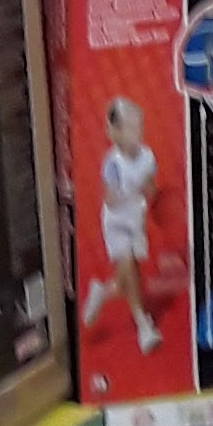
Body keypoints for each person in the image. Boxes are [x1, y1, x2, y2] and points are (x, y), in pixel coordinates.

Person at [83, 94, 162, 353]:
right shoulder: (112, 163)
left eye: (139, 126)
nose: (137, 133)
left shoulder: (147, 157)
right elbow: (110, 199)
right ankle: (143, 326)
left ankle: (101, 293)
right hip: (116, 222)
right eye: (130, 128)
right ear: (115, 133)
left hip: (135, 220)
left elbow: (151, 188)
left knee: (127, 280)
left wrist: (152, 192)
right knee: (128, 265)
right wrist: (128, 190)